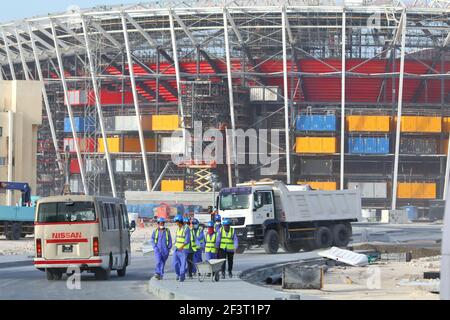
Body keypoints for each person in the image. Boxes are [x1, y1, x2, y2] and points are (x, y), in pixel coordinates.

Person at [172, 215, 190, 282]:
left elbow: (187, 240)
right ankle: (178, 274)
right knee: (175, 263)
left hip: (183, 250)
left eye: (177, 222)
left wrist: (181, 247)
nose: (176, 224)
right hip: (177, 249)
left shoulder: (186, 229)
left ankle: (182, 276)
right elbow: (176, 239)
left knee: (183, 264)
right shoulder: (178, 229)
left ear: (180, 222)